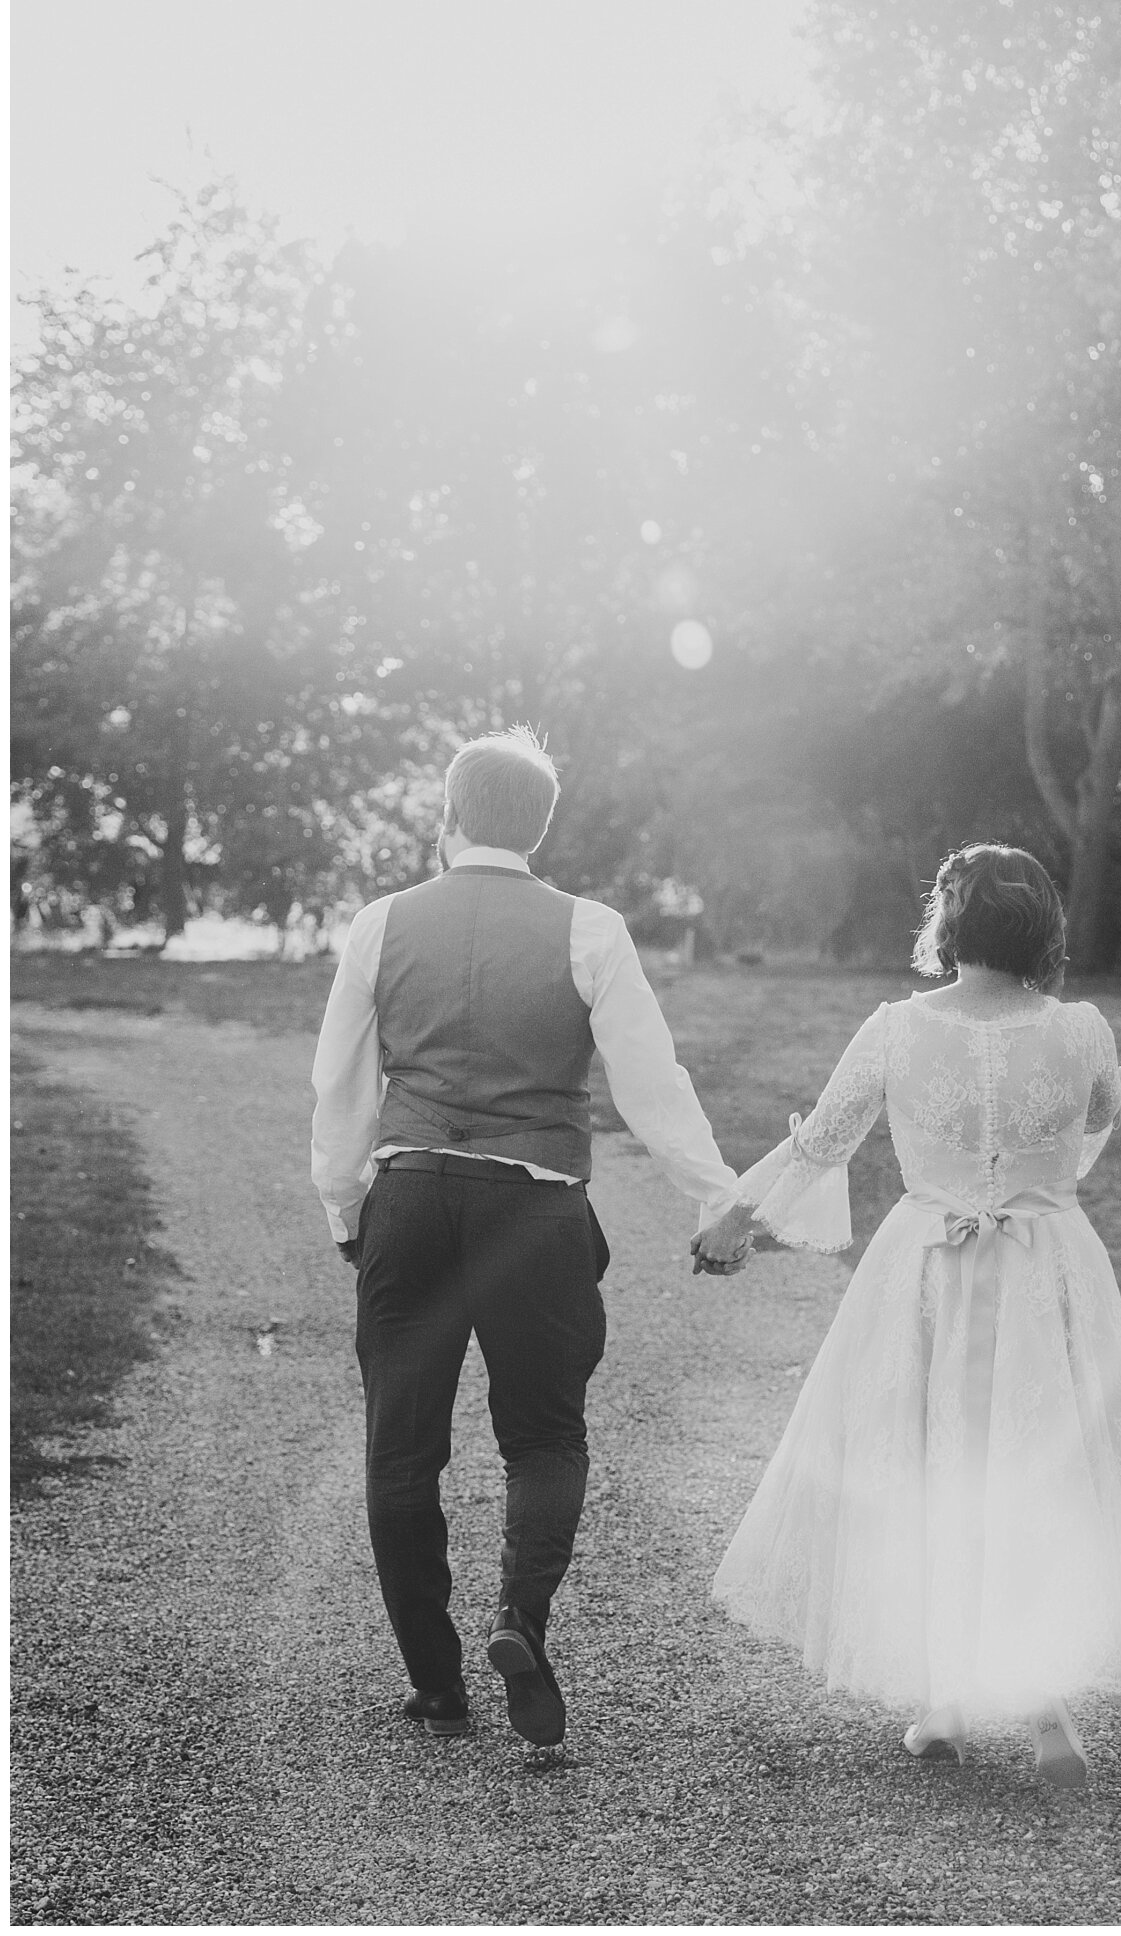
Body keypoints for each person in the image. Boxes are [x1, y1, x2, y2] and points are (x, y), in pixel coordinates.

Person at [693, 843, 1121, 1785]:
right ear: (1042, 929)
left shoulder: (896, 1028)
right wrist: (1031, 1185)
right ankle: (1015, 1701)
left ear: (948, 922)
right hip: (1045, 1267)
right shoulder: (1083, 1030)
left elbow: (822, 1143)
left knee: (928, 1469)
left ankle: (958, 1698)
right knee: (1036, 1468)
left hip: (925, 1269)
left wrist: (737, 1217)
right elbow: (1094, 1125)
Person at [311, 727, 744, 1748]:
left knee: (400, 1447)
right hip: (536, 1209)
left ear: (449, 817)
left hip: (410, 1198)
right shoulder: (589, 929)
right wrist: (716, 1196)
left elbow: (341, 1086)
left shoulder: (382, 923)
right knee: (545, 1435)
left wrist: (344, 1209)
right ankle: (521, 1618)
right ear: (541, 825)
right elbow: (650, 1084)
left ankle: (435, 1682)